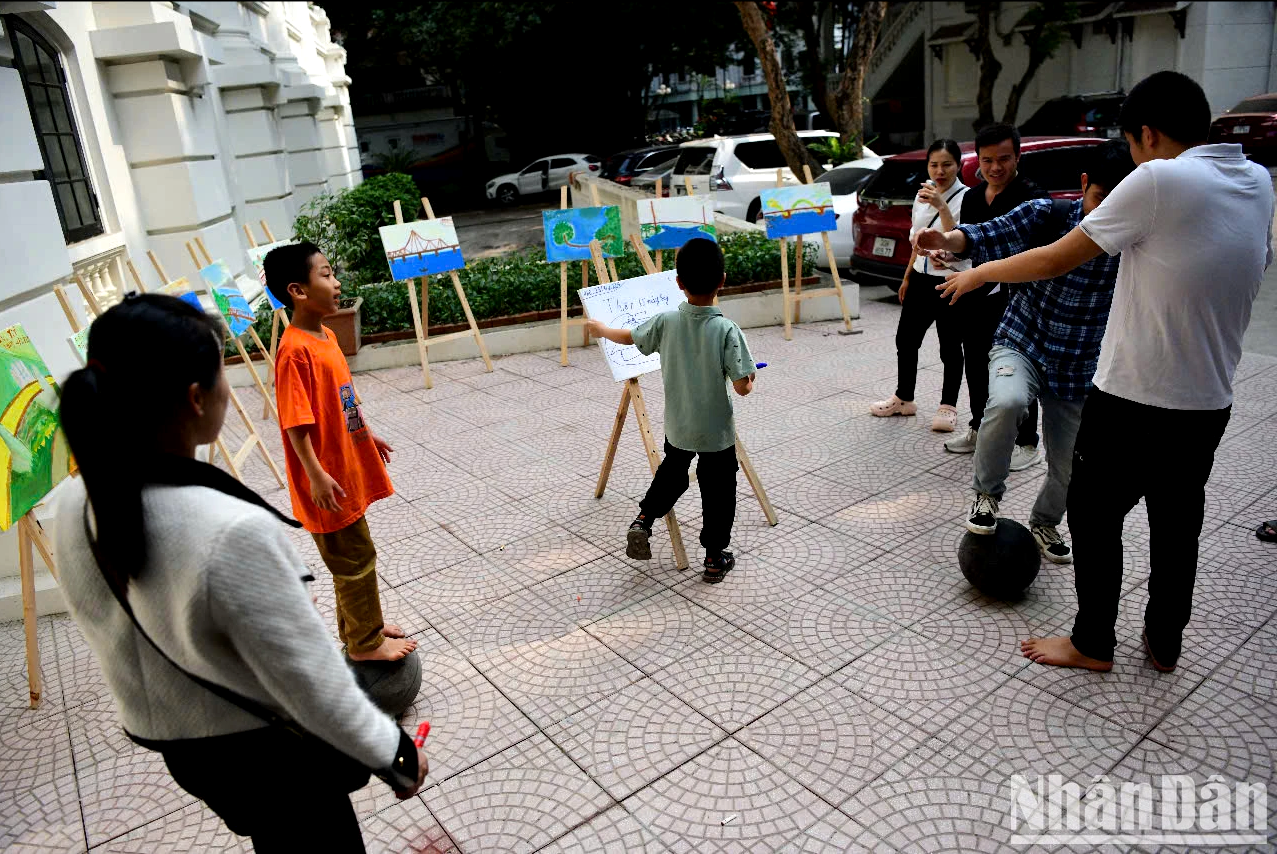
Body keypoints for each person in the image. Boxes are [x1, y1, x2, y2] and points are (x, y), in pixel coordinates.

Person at [54, 294, 427, 851]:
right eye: (223, 373)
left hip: (185, 748)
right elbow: (307, 676)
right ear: (196, 398)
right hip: (265, 750)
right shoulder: (229, 530)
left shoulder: (71, 502)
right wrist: (394, 754)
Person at [937, 72, 1273, 672]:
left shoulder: (1160, 178)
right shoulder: (1256, 180)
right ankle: (1164, 640)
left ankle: (1092, 643)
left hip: (1134, 394)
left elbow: (1056, 257)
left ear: (1147, 134)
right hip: (1211, 399)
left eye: (1135, 145)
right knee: (1178, 522)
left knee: (1093, 515)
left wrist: (980, 274)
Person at [914, 140, 1135, 564]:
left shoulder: (1132, 238)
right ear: (1084, 185)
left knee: (1071, 464)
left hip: (1078, 363)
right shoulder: (1046, 215)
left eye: (1119, 203)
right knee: (1008, 400)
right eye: (1100, 200)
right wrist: (947, 238)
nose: (1108, 213)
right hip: (1023, 341)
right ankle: (985, 495)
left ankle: (1045, 520)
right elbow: (989, 232)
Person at [265, 242, 416, 662]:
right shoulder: (294, 351)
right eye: (327, 274)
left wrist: (368, 434)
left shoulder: (326, 336)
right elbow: (296, 423)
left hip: (344, 470)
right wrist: (314, 474)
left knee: (355, 555)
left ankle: (361, 624)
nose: (336, 283)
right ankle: (365, 644)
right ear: (298, 290)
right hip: (326, 481)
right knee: (354, 559)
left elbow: (346, 399)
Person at [585, 238, 756, 583]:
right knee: (719, 492)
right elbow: (742, 388)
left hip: (678, 424)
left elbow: (631, 337)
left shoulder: (666, 322)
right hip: (716, 433)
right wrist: (750, 377)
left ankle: (644, 520)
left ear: (678, 283)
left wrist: (602, 329)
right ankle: (712, 559)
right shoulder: (726, 330)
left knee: (673, 470)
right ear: (723, 280)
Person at [944, 123, 1045, 470]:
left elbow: (1033, 254)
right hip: (976, 293)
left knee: (1016, 370)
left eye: (1004, 159)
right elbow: (970, 245)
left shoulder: (1032, 197)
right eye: (987, 160)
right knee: (975, 361)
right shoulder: (972, 197)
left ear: (1018, 156)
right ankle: (978, 427)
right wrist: (947, 254)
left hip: (1018, 300)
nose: (995, 167)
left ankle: (1027, 440)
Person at [869, 138, 968, 432]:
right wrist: (907, 276)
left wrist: (941, 205)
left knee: (950, 347)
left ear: (959, 165)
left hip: (951, 279)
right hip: (921, 278)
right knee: (906, 339)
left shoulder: (966, 197)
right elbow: (917, 237)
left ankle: (948, 406)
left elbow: (960, 237)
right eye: (934, 165)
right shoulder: (921, 195)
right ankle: (904, 398)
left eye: (947, 164)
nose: (940, 171)